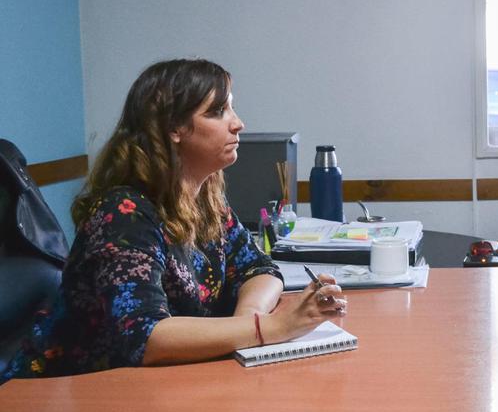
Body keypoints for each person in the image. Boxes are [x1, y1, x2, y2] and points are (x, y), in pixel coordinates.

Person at [2, 59, 345, 379]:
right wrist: (270, 328)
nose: (238, 123)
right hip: (71, 399)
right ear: (174, 128)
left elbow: (258, 268)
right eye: (218, 111)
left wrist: (250, 314)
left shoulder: (207, 200)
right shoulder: (123, 214)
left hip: (157, 387)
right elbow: (145, 336)